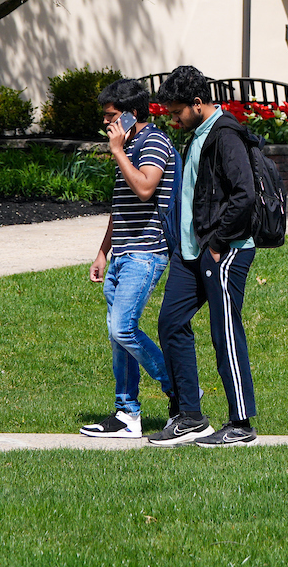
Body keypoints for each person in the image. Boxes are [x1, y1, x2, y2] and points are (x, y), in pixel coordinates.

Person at [146, 65, 261, 448]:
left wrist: (216, 244)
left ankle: (241, 423)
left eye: (177, 112)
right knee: (170, 322)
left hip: (223, 251)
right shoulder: (197, 135)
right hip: (190, 253)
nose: (174, 119)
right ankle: (190, 416)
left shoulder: (225, 135)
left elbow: (243, 194)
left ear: (198, 104)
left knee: (224, 332)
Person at [79, 78, 177, 440]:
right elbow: (121, 206)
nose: (106, 123)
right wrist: (103, 251)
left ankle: (181, 391)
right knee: (117, 335)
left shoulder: (153, 142)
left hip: (146, 252)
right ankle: (126, 414)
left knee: (123, 328)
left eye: (111, 116)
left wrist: (118, 152)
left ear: (132, 115)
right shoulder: (131, 143)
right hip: (121, 253)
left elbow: (146, 187)